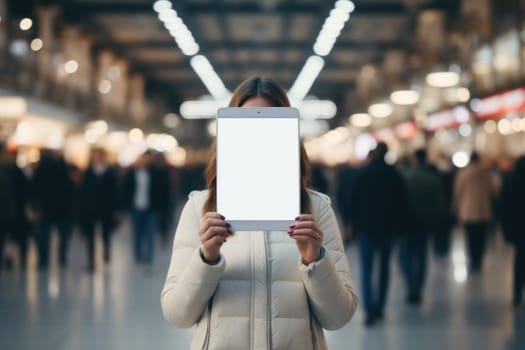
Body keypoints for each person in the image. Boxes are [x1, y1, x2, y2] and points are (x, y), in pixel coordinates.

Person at [161, 77, 358, 350]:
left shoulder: (315, 209)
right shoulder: (200, 208)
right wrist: (207, 258)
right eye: (243, 128)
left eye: (270, 128)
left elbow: (338, 317)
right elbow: (177, 314)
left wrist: (315, 259)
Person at [348, 142, 409, 326]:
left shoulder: (362, 174)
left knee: (366, 268)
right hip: (387, 229)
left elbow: (353, 200)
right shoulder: (395, 175)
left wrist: (352, 224)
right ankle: (380, 306)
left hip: (366, 229)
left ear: (373, 154)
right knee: (384, 268)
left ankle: (368, 310)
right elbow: (402, 204)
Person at [399, 149, 445, 305]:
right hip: (424, 224)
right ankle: (417, 287)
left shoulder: (404, 177)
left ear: (414, 159)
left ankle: (410, 283)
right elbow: (438, 205)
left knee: (405, 256)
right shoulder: (432, 179)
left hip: (405, 223)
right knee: (421, 257)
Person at [124, 150, 169, 272]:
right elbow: (126, 189)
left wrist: (162, 207)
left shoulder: (156, 172)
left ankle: (148, 260)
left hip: (152, 209)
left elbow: (163, 191)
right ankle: (138, 256)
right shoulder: (133, 172)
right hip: (136, 208)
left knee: (150, 235)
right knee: (137, 234)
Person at [452, 152, 495, 273]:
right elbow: (493, 190)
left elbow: (457, 192)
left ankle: (472, 261)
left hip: (468, 210)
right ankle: (478, 260)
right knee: (481, 238)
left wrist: (455, 207)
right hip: (483, 210)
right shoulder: (486, 173)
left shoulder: (463, 173)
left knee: (470, 238)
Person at [32, 149, 75, 269]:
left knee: (44, 235)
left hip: (47, 208)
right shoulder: (64, 168)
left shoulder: (41, 169)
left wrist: (35, 206)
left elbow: (34, 189)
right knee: (63, 235)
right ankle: (61, 256)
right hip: (62, 208)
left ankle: (44, 259)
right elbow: (71, 189)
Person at [79, 148, 119, 272]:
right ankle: (91, 261)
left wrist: (115, 209)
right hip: (90, 209)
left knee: (105, 233)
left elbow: (114, 192)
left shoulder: (109, 172)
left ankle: (106, 251)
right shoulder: (88, 172)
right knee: (90, 237)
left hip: (105, 208)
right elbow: (83, 192)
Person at [499, 155, 525, 308]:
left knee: (519, 260)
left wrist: (506, 230)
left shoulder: (511, 183)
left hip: (518, 228)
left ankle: (517, 294)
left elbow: (504, 209)